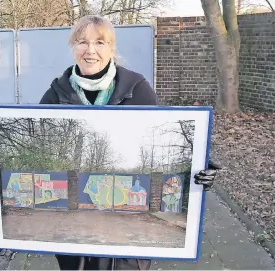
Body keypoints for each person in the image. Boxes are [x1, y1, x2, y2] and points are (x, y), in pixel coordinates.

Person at [39, 14, 220, 270]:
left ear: (112, 48)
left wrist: (196, 165)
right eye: (82, 42)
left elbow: (161, 142)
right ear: (73, 47)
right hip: (75, 242)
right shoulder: (55, 95)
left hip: (126, 249)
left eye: (100, 43)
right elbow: (45, 152)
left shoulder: (138, 89)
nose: (90, 51)